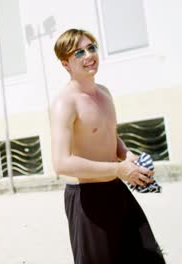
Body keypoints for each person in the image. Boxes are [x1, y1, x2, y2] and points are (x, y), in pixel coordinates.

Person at [51, 28, 165, 264]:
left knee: (148, 257)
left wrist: (127, 156)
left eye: (91, 48)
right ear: (65, 64)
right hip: (87, 201)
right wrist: (117, 170)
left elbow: (111, 137)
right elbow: (61, 163)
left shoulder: (104, 93)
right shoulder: (65, 103)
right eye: (79, 52)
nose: (89, 55)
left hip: (117, 190)